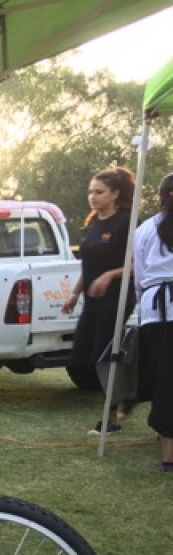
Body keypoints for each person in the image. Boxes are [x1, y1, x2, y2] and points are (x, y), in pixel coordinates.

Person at [62, 167, 136, 435]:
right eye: (90, 192)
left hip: (117, 299)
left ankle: (112, 419)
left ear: (115, 193)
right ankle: (130, 392)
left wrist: (109, 276)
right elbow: (88, 266)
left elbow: (138, 264)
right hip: (92, 302)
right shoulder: (93, 223)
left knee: (104, 358)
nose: (93, 197)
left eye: (99, 192)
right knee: (80, 357)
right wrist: (74, 294)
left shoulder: (127, 222)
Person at [133, 173, 173, 472]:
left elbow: (138, 274)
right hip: (159, 305)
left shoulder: (146, 229)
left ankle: (168, 453)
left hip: (156, 311)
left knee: (165, 379)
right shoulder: (147, 228)